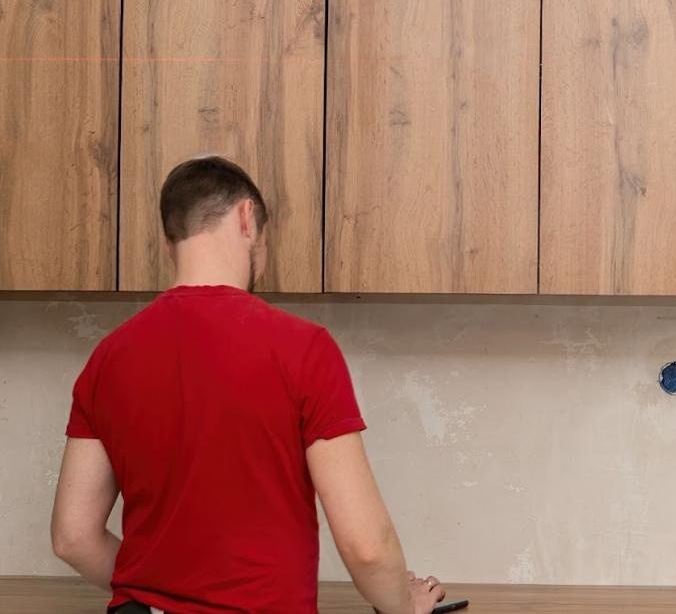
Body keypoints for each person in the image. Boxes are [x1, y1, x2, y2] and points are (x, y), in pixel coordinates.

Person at [50, 156, 447, 613]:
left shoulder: (108, 358)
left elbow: (73, 537)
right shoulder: (304, 349)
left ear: (167, 242)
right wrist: (404, 608)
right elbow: (367, 548)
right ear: (246, 217)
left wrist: (160, 589)